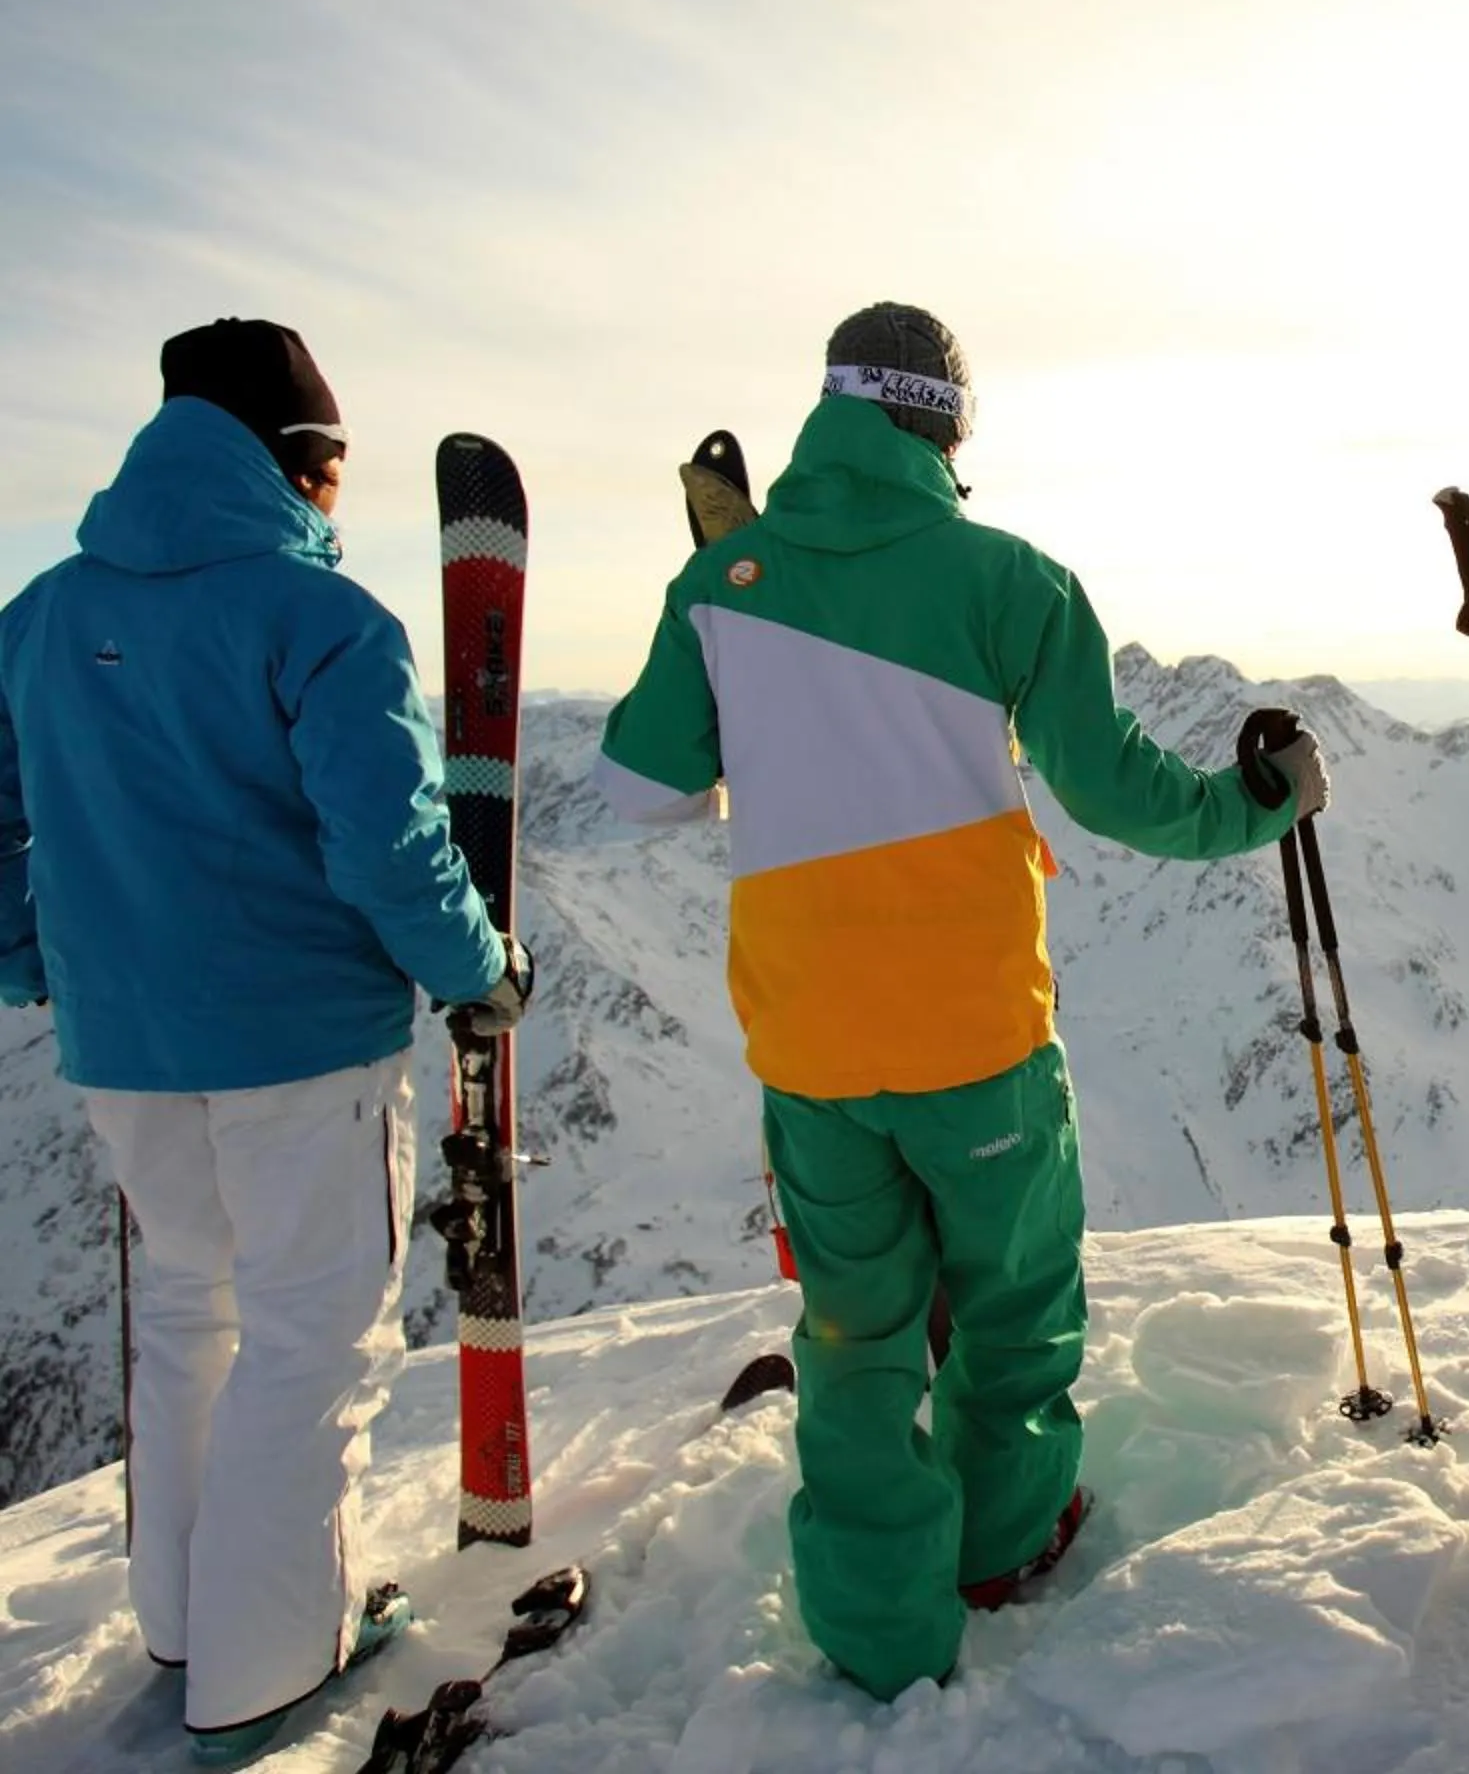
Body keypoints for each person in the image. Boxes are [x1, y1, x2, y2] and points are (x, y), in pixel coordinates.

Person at [593, 302, 1326, 1701]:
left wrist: (731, 618)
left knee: (855, 1339)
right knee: (1013, 1306)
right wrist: (1266, 802)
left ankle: (875, 1632)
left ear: (828, 413)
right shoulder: (1013, 581)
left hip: (809, 1049)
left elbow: (640, 791)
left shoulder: (724, 582)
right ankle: (1000, 1544)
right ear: (949, 429)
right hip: (976, 1036)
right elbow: (1117, 794)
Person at [0, 319, 533, 1764]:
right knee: (309, 1345)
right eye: (335, 468)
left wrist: (31, 961)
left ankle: (182, 1621)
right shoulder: (324, 621)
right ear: (293, 458)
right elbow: (390, 845)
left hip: (123, 1050)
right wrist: (476, 975)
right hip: (299, 1043)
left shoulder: (39, 615)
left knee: (189, 1314)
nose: (334, 499)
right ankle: (264, 1668)